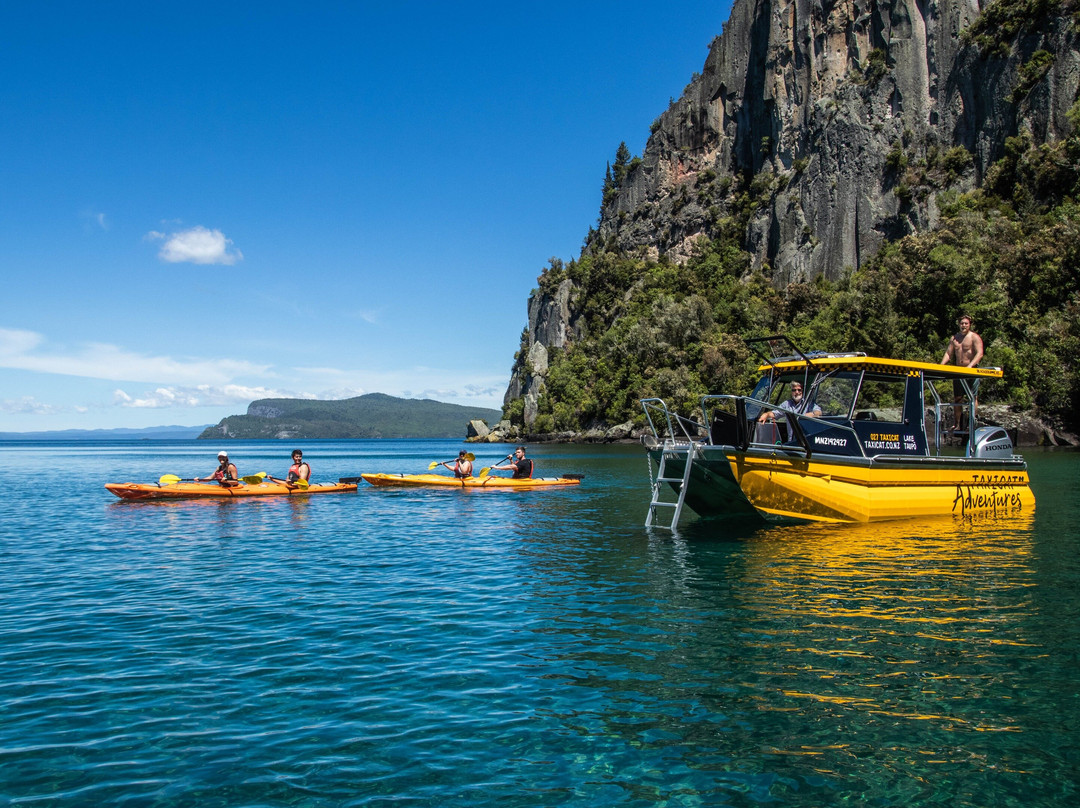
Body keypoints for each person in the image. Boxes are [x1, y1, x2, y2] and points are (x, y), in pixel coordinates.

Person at [941, 313, 984, 430]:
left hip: (971, 371)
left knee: (972, 397)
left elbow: (980, 353)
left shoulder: (974, 337)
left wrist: (970, 366)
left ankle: (972, 422)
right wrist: (941, 366)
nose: (963, 325)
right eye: (961, 323)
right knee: (958, 398)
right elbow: (948, 354)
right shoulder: (954, 338)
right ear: (959, 324)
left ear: (969, 325)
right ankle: (957, 423)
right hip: (958, 371)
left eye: (966, 323)